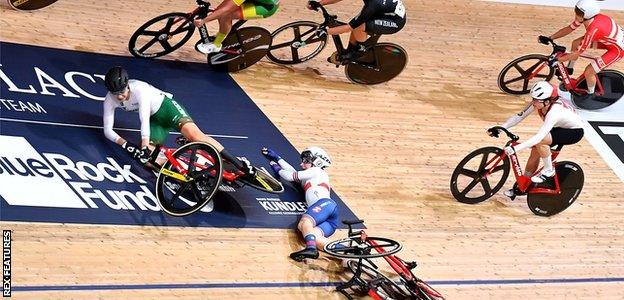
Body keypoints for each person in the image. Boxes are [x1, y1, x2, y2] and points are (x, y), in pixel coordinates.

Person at [102, 66, 254, 177]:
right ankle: (189, 169)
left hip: (167, 108)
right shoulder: (110, 100)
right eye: (115, 94)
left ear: (127, 85)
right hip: (155, 120)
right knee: (148, 161)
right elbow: (107, 130)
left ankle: (238, 163)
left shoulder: (139, 89)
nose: (119, 97)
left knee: (196, 137)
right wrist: (126, 145)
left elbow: (143, 119)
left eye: (121, 92)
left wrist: (143, 143)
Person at [487, 81, 584, 198]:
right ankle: (523, 185)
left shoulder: (554, 112)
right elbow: (519, 116)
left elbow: (539, 138)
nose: (533, 102)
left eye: (536, 100)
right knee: (535, 153)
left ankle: (549, 171)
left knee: (541, 142)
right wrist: (501, 128)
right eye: (533, 98)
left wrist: (515, 149)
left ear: (547, 101)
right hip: (561, 127)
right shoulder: (540, 103)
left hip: (574, 132)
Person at [261, 146, 338, 261]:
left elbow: (290, 176)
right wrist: (278, 158)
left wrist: (277, 168)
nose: (302, 164)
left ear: (317, 162)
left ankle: (311, 248)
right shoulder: (311, 176)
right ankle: (348, 253)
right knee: (314, 236)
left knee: (304, 222)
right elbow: (293, 172)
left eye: (306, 161)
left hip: (325, 205)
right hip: (328, 214)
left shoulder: (317, 171)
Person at [541, 0, 623, 100]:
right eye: (576, 10)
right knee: (575, 43)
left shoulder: (593, 29)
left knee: (589, 71)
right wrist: (551, 38)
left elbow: (576, 54)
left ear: (585, 15)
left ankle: (590, 94)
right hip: (607, 40)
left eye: (578, 13)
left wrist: (557, 60)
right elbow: (569, 28)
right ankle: (569, 68)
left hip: (617, 50)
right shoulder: (586, 17)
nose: (576, 14)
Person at [307, 0, 406, 62]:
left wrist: (326, 32)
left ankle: (360, 50)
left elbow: (349, 28)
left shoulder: (373, 5)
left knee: (359, 26)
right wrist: (319, 3)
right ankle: (350, 51)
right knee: (357, 25)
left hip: (395, 22)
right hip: (383, 11)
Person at [193, 0, 279, 54]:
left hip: (266, 7)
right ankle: (224, 33)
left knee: (226, 15)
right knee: (219, 11)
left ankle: (216, 45)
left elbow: (224, 10)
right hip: (258, 1)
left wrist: (203, 21)